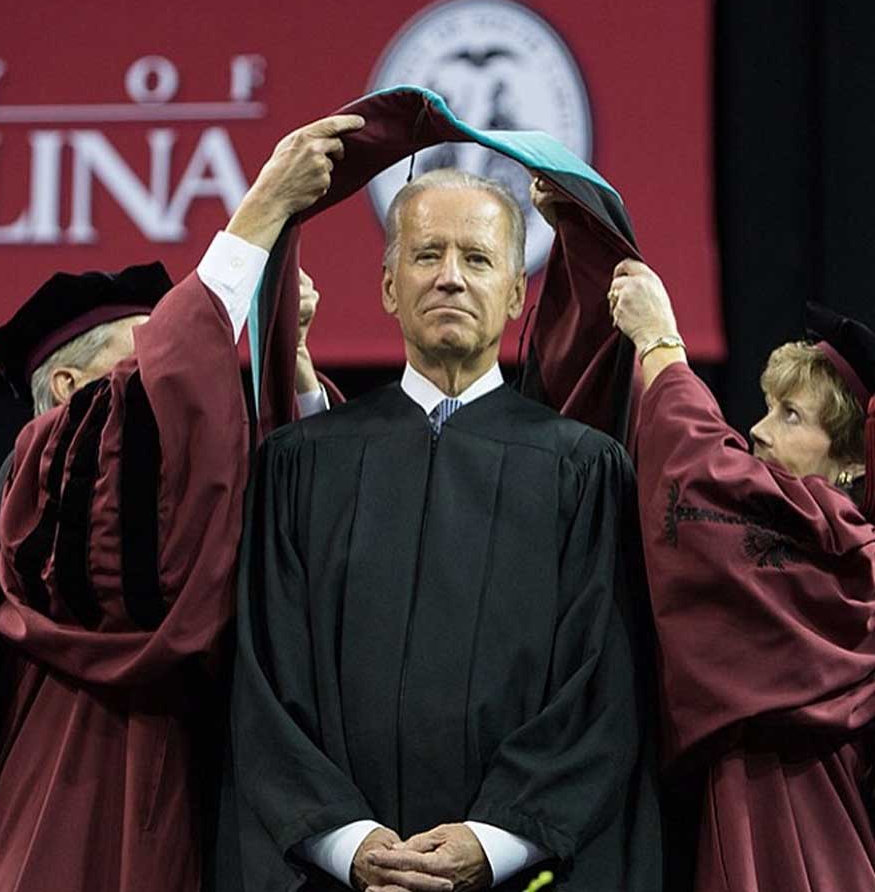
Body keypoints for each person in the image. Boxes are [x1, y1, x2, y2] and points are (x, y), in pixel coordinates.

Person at [227, 168, 661, 892]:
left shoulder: (584, 471)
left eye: (478, 258)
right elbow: (264, 675)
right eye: (427, 255)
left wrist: (492, 841)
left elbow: (603, 685)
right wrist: (349, 842)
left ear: (519, 294)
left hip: (522, 877)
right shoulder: (300, 466)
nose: (451, 278)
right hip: (335, 877)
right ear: (390, 287)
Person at [0, 112, 364, 892]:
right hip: (81, 804)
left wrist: (288, 367)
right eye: (146, 350)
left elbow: (276, 524)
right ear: (67, 388)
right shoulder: (41, 472)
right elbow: (155, 419)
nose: (178, 371)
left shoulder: (152, 480)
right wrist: (253, 222)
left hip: (211, 800)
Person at [610, 259, 875, 891]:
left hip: (820, 849)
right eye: (766, 406)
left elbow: (702, 469)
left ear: (849, 462)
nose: (756, 430)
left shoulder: (847, 557)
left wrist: (660, 343)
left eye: (791, 415)